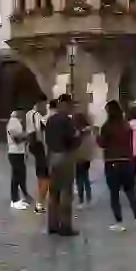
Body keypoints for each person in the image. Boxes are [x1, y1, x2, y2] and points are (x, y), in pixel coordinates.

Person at [98, 100, 136, 231]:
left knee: (114, 194)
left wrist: (97, 137)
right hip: (127, 161)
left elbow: (103, 143)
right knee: (130, 191)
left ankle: (119, 222)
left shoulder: (107, 126)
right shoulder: (126, 125)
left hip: (112, 161)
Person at [43, 94, 79, 236]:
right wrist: (78, 137)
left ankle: (52, 224)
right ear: (66, 104)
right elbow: (71, 139)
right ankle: (65, 226)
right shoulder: (66, 120)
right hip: (64, 156)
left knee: (53, 193)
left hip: (51, 156)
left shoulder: (50, 120)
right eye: (70, 105)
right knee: (66, 193)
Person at [25, 97, 49, 214]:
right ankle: (39, 203)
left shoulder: (28, 114)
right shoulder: (37, 115)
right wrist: (44, 146)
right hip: (39, 146)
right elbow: (39, 130)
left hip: (33, 146)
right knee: (45, 176)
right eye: (44, 105)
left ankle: (40, 202)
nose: (45, 107)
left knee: (41, 174)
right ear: (39, 104)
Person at [6, 109, 33, 210]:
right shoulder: (13, 122)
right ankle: (15, 200)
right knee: (17, 177)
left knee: (19, 176)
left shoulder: (16, 122)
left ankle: (18, 198)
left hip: (18, 153)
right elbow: (16, 139)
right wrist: (26, 135)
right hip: (15, 153)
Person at [73, 112, 96, 207]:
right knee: (85, 177)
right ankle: (89, 197)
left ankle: (81, 199)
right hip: (86, 157)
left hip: (79, 156)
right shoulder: (88, 131)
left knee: (79, 178)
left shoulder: (78, 132)